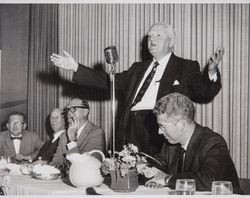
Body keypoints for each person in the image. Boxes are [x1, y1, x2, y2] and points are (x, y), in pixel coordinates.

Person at [50, 22, 225, 155]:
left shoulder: (185, 67)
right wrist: (76, 67)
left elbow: (204, 92)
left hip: (159, 131)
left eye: (158, 36)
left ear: (171, 42)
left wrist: (211, 72)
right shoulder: (138, 68)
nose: (152, 40)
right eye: (149, 36)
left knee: (154, 180)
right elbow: (108, 81)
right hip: (129, 128)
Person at [144, 92, 242, 194]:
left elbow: (211, 179)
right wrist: (149, 172)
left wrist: (167, 179)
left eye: (163, 126)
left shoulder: (212, 142)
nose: (159, 132)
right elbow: (156, 166)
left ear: (181, 124)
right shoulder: (170, 144)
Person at [50, 98, 106, 166]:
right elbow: (56, 163)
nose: (69, 113)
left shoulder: (97, 133)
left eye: (73, 109)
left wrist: (72, 141)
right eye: (67, 110)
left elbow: (88, 166)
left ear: (85, 111)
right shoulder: (63, 135)